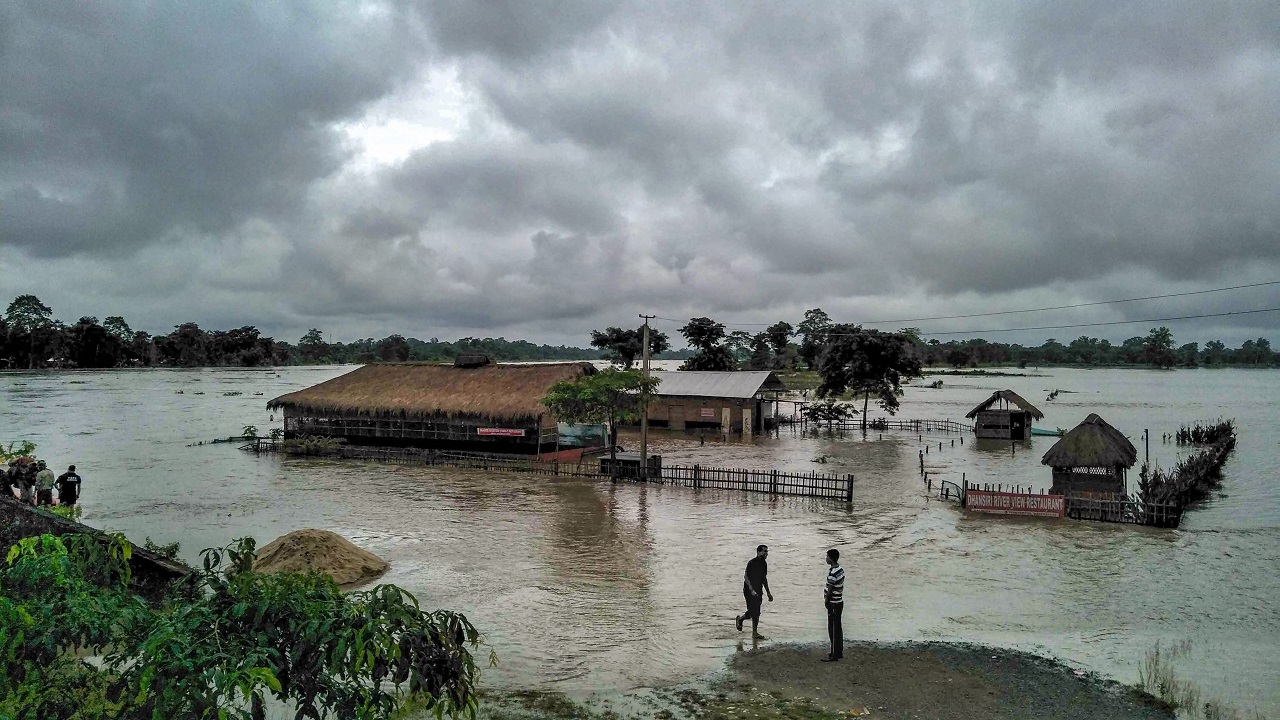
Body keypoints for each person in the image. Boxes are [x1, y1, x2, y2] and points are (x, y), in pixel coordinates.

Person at [735, 544, 772, 638]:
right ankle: (741, 620)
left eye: (767, 551)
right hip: (748, 589)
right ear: (759, 552)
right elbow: (746, 577)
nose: (766, 553)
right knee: (752, 611)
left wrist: (768, 592)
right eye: (765, 551)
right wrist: (751, 590)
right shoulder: (752, 563)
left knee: (757, 612)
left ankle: (754, 632)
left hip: (759, 589)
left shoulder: (764, 564)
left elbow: (764, 578)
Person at [821, 548, 845, 662]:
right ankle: (838, 652)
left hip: (833, 603)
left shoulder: (833, 573)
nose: (826, 558)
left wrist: (826, 600)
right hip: (839, 602)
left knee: (833, 629)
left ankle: (834, 654)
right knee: (838, 628)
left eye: (827, 557)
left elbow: (830, 589)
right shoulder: (840, 569)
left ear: (831, 558)